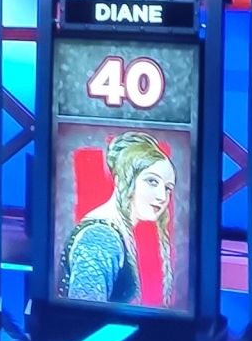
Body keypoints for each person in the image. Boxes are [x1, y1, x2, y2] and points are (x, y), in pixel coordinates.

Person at [62, 131, 176, 309]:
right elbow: (85, 317)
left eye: (168, 188)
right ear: (123, 179)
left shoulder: (113, 232)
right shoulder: (99, 238)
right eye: (152, 181)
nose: (162, 196)